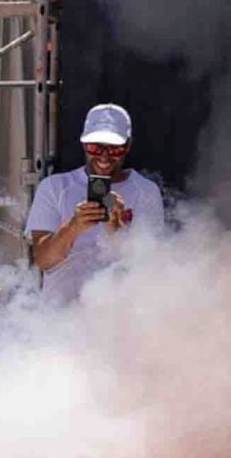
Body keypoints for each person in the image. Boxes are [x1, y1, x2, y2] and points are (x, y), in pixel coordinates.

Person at [25, 103, 165, 307]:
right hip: (60, 317)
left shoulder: (145, 191)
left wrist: (117, 234)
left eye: (114, 148)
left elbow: (150, 267)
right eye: (95, 147)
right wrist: (73, 227)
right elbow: (43, 260)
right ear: (84, 145)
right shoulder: (55, 187)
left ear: (128, 146)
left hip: (119, 315)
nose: (104, 156)